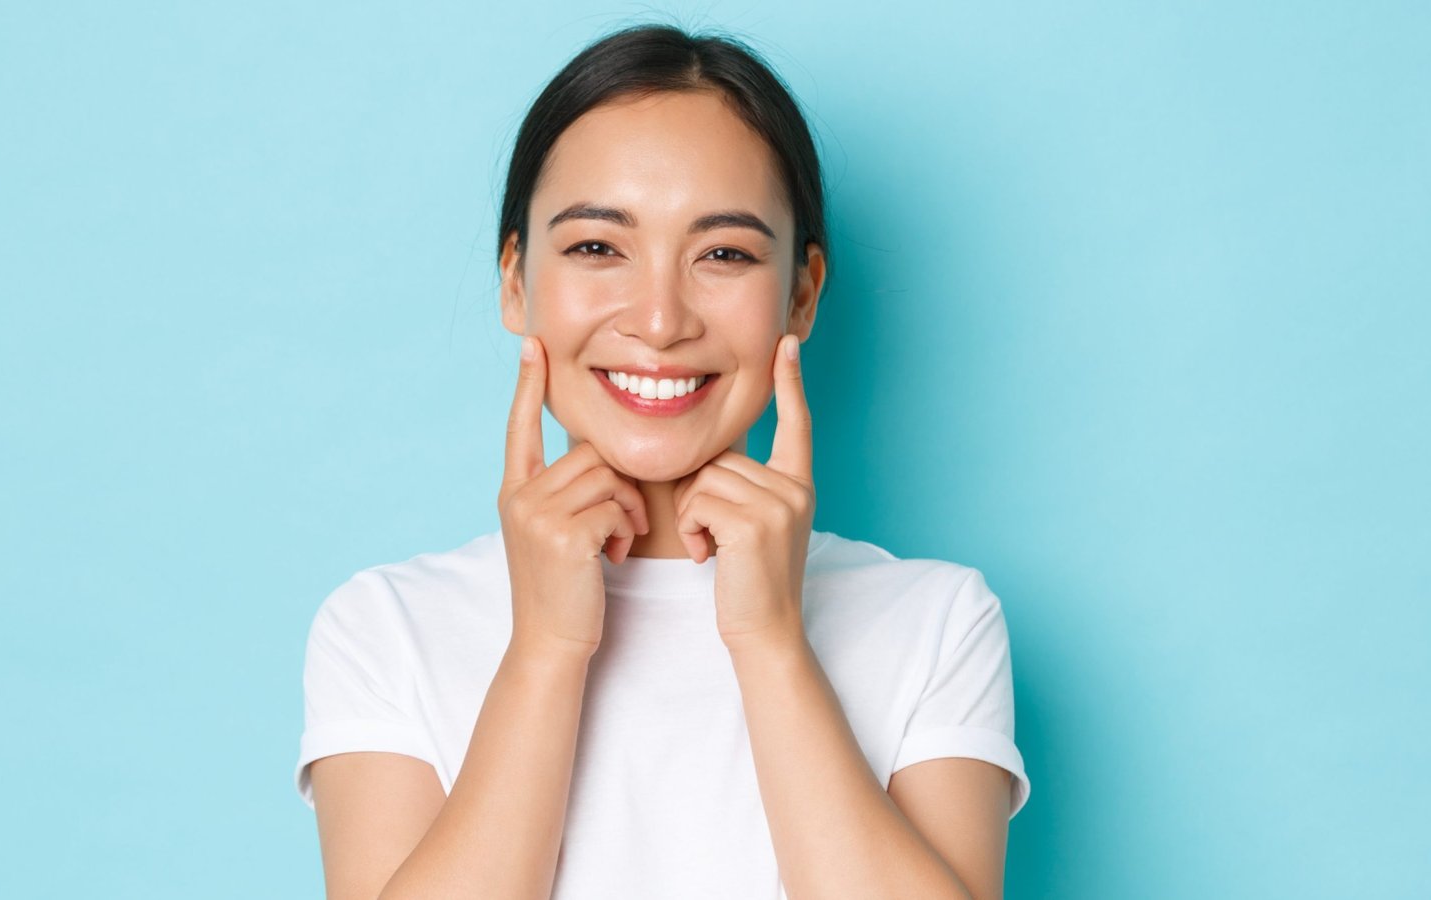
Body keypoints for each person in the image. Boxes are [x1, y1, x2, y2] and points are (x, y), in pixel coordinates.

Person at [294, 22, 1030, 900]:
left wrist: (771, 644)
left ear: (801, 293)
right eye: (598, 247)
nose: (659, 319)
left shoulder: (936, 621)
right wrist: (545, 650)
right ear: (515, 282)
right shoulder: (385, 628)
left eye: (724, 253)